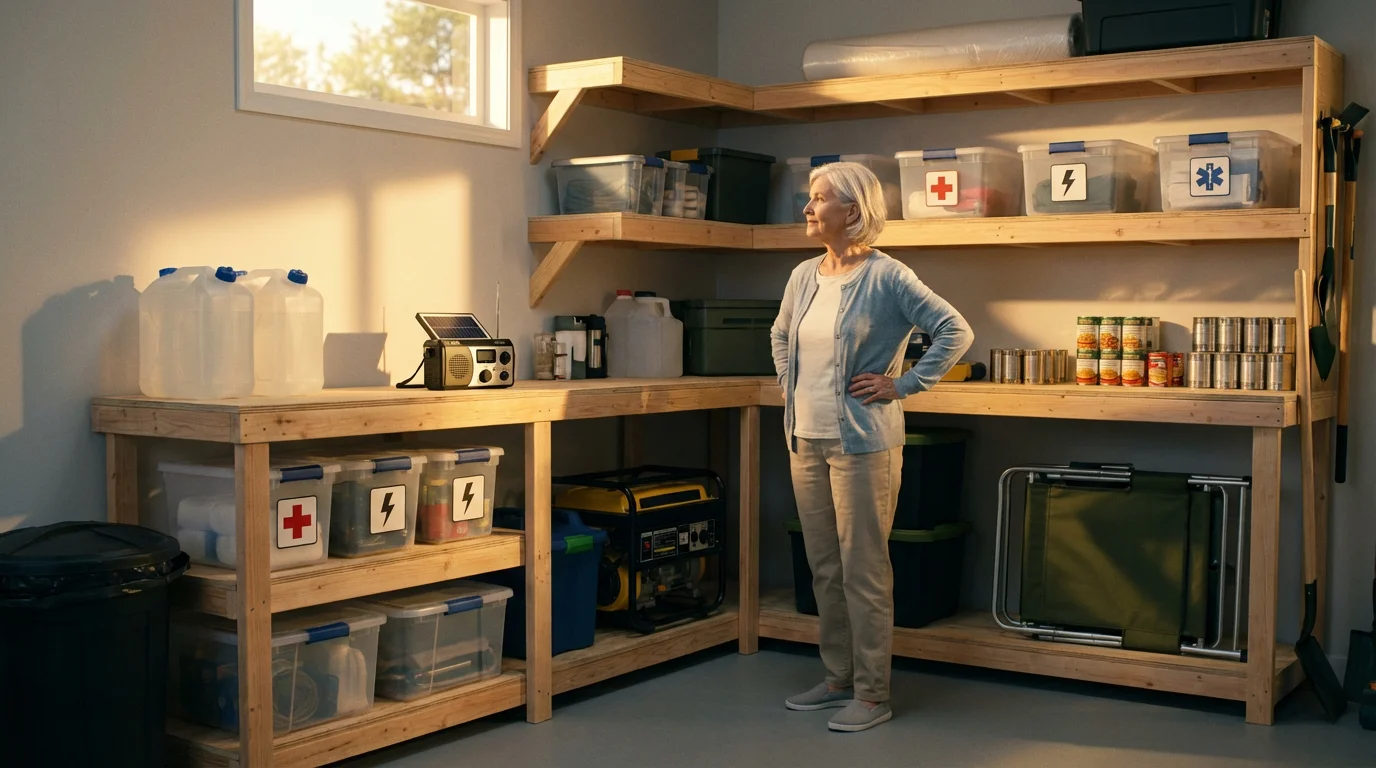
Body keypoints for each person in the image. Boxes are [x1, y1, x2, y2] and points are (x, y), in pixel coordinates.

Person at [770, 161, 973, 732]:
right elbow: (780, 334)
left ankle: (872, 693)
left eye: (818, 200)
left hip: (862, 445)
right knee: (824, 568)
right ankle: (837, 681)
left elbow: (955, 330)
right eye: (809, 199)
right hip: (803, 440)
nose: (808, 209)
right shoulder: (804, 275)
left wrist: (902, 383)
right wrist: (792, 385)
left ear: (852, 210)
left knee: (863, 569)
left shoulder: (888, 276)